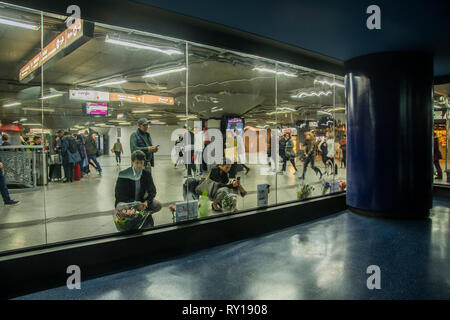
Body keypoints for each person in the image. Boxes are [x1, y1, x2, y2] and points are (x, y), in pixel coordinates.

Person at [115, 150, 162, 228]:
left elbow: (153, 191)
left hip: (141, 202)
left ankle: (142, 216)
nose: (139, 165)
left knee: (158, 205)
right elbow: (119, 195)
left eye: (141, 163)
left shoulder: (146, 174)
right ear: (132, 162)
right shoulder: (123, 174)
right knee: (120, 206)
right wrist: (135, 204)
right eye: (137, 163)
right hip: (127, 202)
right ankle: (134, 215)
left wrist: (147, 202)